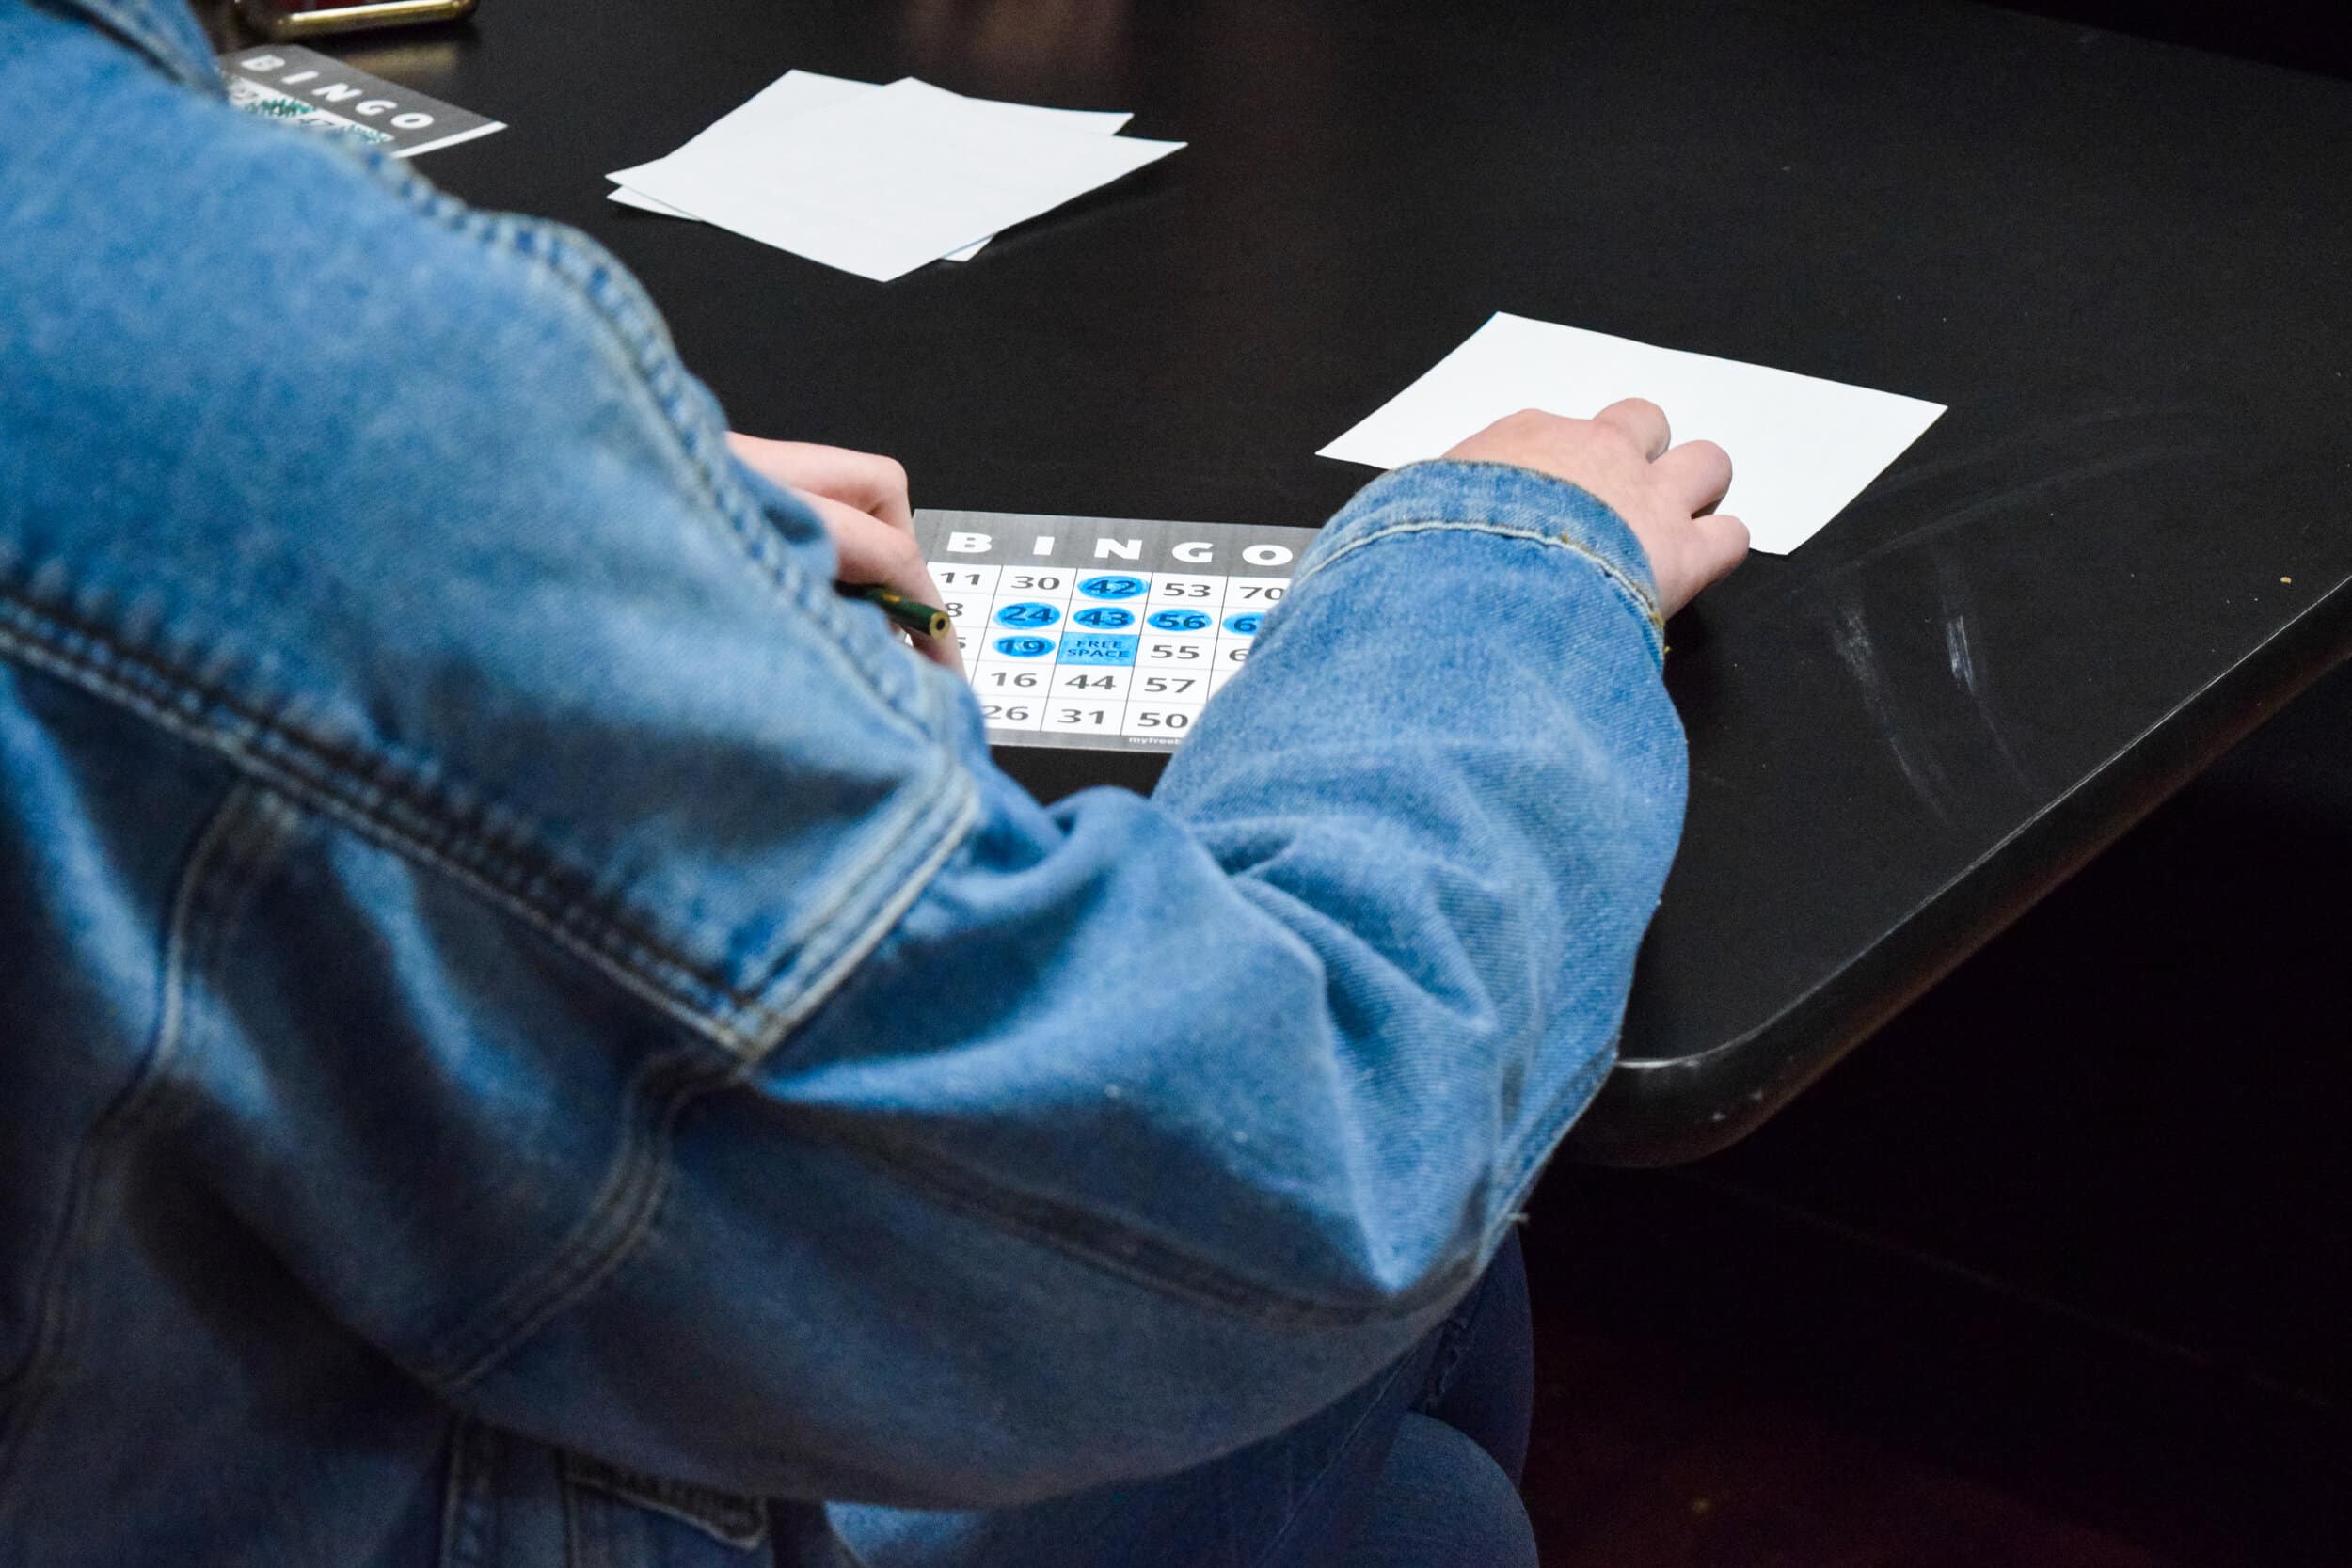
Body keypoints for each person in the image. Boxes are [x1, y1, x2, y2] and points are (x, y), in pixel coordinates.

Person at [0, 2, 1747, 1564]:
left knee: (1424, 1507)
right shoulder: (272, 359)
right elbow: (1304, 1162)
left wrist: (552, 515)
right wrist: (1500, 564)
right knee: (1421, 1360)